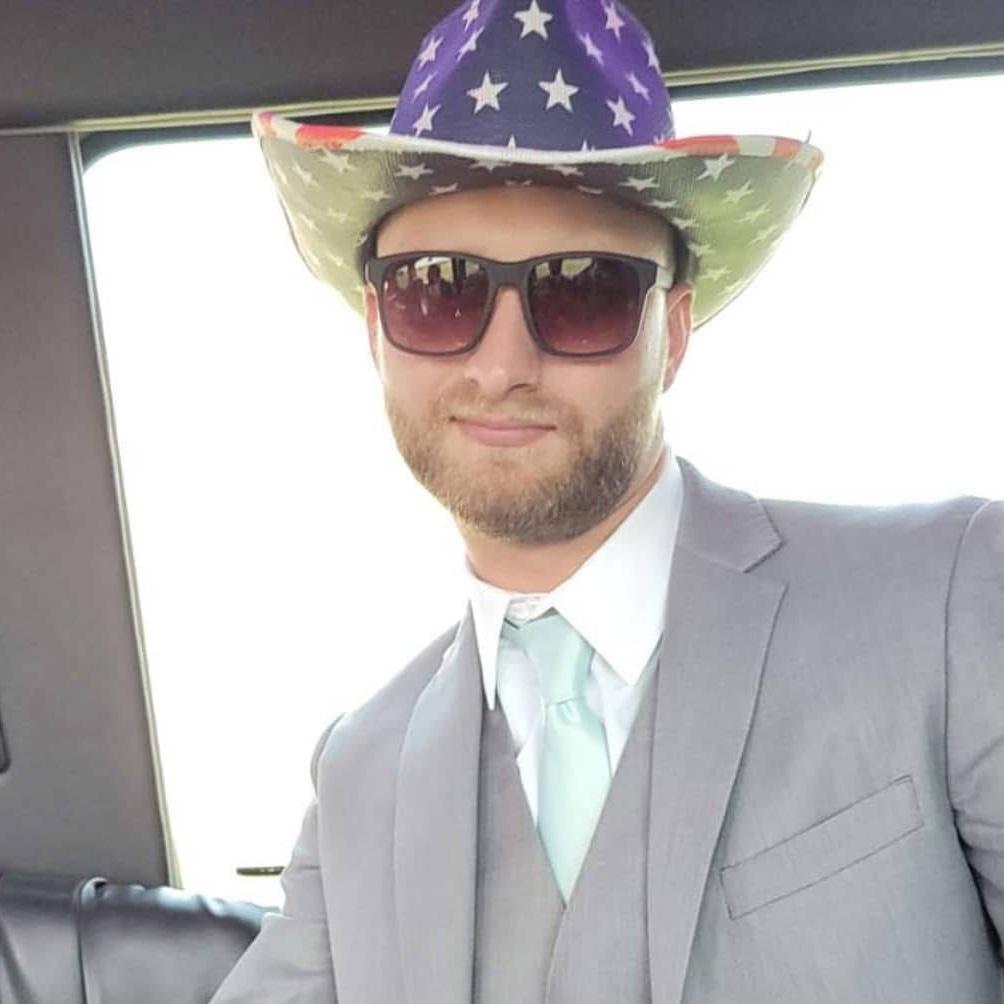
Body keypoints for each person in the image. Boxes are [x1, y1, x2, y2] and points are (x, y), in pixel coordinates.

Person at [210, 0, 1004, 1001]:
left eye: (581, 290)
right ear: (376, 327)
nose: (501, 365)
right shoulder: (359, 775)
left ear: (673, 332)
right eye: (437, 289)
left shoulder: (942, 599)